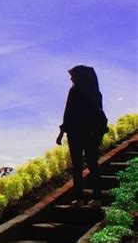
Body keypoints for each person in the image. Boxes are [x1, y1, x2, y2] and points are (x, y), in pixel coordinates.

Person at [56, 65, 103, 208]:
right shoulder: (96, 93)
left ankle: (79, 199)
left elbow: (68, 113)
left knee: (77, 166)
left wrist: (61, 132)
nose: (71, 78)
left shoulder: (75, 91)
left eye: (73, 76)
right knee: (93, 165)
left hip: (76, 134)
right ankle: (97, 198)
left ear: (80, 77)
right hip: (92, 134)